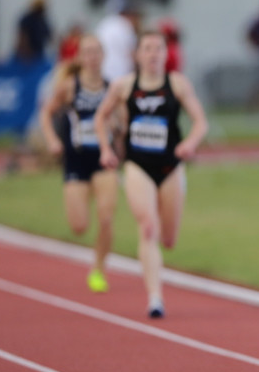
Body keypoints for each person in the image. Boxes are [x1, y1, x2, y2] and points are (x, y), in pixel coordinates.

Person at [94, 30, 208, 318]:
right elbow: (100, 117)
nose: (153, 54)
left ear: (165, 54)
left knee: (168, 238)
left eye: (159, 49)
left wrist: (189, 144)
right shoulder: (123, 86)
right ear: (137, 54)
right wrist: (106, 149)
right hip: (137, 164)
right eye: (147, 48)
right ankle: (155, 298)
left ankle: (160, 266)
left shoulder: (178, 84)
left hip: (170, 166)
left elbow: (200, 122)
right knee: (147, 227)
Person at [38, 34, 121, 293]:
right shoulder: (69, 87)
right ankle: (84, 197)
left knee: (106, 217)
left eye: (97, 52)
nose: (93, 57)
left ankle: (98, 269)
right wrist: (52, 140)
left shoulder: (112, 88)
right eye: (88, 52)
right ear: (80, 57)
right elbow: (45, 113)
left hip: (103, 159)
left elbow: (122, 120)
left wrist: (119, 126)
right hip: (76, 158)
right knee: (79, 226)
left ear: (103, 56)